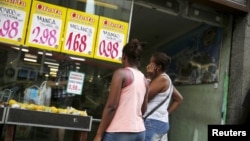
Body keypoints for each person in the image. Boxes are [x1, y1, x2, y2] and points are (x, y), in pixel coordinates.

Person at [93, 39, 149, 141]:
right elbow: (144, 109)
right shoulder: (144, 79)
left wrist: (99, 134)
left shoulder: (121, 73)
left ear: (124, 57)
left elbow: (111, 106)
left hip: (119, 131)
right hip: (140, 132)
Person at [144, 52, 183, 141]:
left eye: (151, 63)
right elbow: (179, 99)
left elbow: (143, 97)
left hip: (152, 123)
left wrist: (149, 77)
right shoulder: (166, 79)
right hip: (160, 122)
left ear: (158, 67)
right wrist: (165, 114)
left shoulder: (161, 80)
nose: (148, 65)